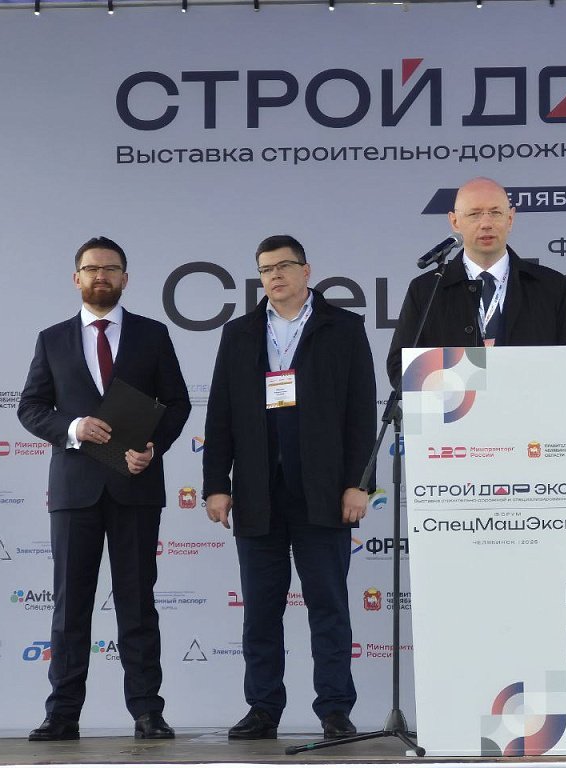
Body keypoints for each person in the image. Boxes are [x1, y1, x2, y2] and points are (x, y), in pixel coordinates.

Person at [202, 235, 376, 740]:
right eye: (265, 269)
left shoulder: (343, 327)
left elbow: (360, 413)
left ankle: (335, 710)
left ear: (306, 270)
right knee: (260, 611)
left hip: (324, 492)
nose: (275, 275)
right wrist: (216, 484)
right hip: (258, 492)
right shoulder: (239, 333)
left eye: (284, 266)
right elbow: (220, 413)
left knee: (328, 606)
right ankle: (263, 708)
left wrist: (359, 484)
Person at [18, 236, 191, 741]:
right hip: (75, 491)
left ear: (125, 278)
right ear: (76, 278)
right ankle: (62, 713)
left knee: (137, 605)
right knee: (70, 607)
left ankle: (147, 711)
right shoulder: (52, 339)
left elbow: (177, 403)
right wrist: (73, 428)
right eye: (92, 268)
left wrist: (153, 447)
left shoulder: (153, 334)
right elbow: (31, 407)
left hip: (136, 485)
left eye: (111, 269)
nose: (101, 276)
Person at [386, 176, 566, 386]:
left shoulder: (550, 286)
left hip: (533, 405)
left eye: (495, 213)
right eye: (474, 214)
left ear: (510, 219)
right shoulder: (427, 289)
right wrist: (474, 380)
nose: (486, 224)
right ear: (454, 222)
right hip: (454, 407)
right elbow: (400, 367)